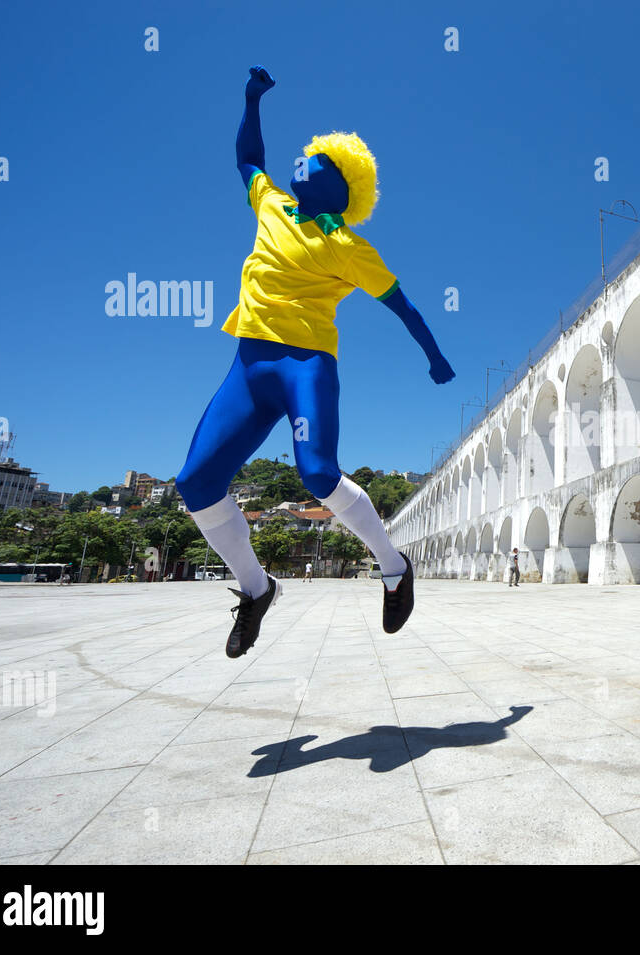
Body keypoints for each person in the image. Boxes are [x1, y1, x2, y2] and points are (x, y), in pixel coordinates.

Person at [175, 66, 454, 659]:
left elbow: (403, 306)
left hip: (306, 365)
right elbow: (248, 157)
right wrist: (251, 100)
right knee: (195, 483)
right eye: (305, 155)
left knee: (317, 473)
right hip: (249, 366)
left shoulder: (350, 248)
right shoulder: (271, 204)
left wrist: (435, 357)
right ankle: (256, 590)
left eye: (319, 159)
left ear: (342, 186)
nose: (304, 160)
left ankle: (394, 566)